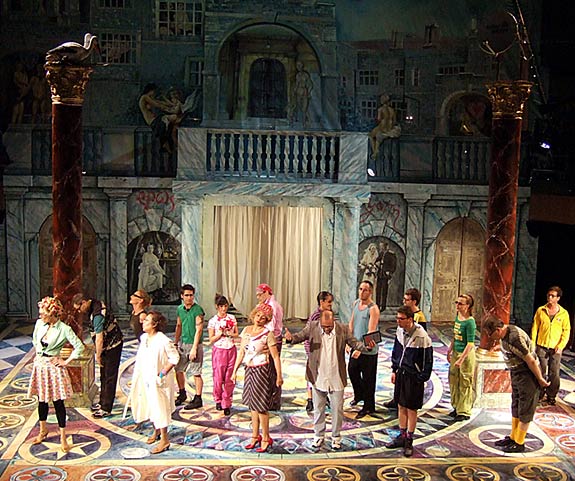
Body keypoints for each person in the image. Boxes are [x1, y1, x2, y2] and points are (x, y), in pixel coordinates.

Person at [285, 309, 374, 451]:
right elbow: (299, 336)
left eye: (329, 326)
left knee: (337, 410)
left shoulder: (342, 329)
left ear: (334, 321)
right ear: (320, 322)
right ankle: (318, 435)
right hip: (318, 376)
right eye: (324, 326)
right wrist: (290, 338)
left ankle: (336, 437)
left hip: (336, 376)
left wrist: (366, 347)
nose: (327, 329)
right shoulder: (313, 327)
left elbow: (354, 343)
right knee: (318, 408)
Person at [483, 317, 550, 453]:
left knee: (525, 407)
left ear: (498, 330)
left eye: (490, 334)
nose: (490, 337)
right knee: (516, 404)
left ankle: (519, 442)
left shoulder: (514, 338)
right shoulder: (505, 335)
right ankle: (513, 437)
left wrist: (540, 379)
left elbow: (531, 361)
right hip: (517, 372)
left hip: (527, 374)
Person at [28, 296, 85, 453]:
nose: (40, 315)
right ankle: (43, 430)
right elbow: (35, 341)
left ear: (52, 313)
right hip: (40, 366)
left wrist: (65, 361)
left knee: (58, 403)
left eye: (43, 313)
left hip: (54, 369)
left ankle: (62, 436)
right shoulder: (39, 324)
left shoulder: (64, 329)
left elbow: (79, 347)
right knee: (42, 401)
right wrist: (40, 355)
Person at [231, 303, 283, 453]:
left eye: (263, 317)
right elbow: (241, 352)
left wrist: (279, 376)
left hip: (262, 371)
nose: (259, 319)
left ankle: (266, 437)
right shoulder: (246, 331)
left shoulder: (267, 334)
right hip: (249, 369)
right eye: (258, 315)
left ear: (267, 320)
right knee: (252, 406)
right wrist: (234, 371)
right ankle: (255, 436)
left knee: (261, 406)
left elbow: (275, 356)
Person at [384, 306, 433, 457]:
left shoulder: (422, 336)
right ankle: (402, 435)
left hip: (413, 376)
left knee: (411, 408)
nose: (398, 321)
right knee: (401, 405)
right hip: (401, 373)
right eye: (397, 318)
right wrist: (394, 369)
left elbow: (427, 360)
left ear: (410, 319)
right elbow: (396, 350)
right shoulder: (400, 331)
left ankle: (409, 440)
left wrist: (421, 377)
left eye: (401, 319)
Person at [131, 311, 179, 454]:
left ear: (154, 324)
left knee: (160, 407)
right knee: (150, 404)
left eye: (147, 320)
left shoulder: (163, 341)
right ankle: (156, 431)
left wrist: (162, 373)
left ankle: (165, 440)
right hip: (146, 377)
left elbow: (174, 358)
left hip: (159, 380)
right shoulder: (144, 338)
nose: (143, 322)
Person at [73, 293, 123, 418]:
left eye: (79, 308)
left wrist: (98, 355)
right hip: (107, 345)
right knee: (103, 375)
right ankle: (102, 402)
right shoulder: (94, 304)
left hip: (112, 345)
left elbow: (99, 338)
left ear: (84, 302)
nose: (79, 311)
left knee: (109, 376)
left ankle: (106, 407)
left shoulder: (97, 315)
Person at [531, 286, 571, 405]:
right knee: (540, 371)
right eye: (549, 295)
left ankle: (551, 396)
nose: (550, 297)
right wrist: (533, 343)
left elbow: (566, 331)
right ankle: (539, 394)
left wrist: (561, 345)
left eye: (553, 296)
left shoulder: (564, 313)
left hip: (555, 348)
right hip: (542, 346)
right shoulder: (541, 310)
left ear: (558, 298)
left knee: (554, 373)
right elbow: (535, 328)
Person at [348, 280, 381, 418]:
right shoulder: (356, 303)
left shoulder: (373, 309)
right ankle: (359, 395)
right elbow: (351, 323)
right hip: (355, 345)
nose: (362, 292)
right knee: (352, 371)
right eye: (360, 289)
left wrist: (360, 349)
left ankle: (369, 406)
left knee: (368, 379)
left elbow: (371, 331)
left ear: (370, 292)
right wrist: (348, 341)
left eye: (365, 290)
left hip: (368, 350)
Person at [174, 284, 205, 409]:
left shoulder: (198, 310)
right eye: (186, 295)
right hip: (183, 343)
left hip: (195, 344)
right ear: (182, 296)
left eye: (191, 295)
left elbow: (199, 329)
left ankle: (198, 398)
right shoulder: (180, 309)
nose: (189, 298)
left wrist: (194, 348)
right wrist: (176, 342)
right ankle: (182, 393)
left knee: (196, 372)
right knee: (178, 369)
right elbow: (179, 325)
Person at [303, 291, 334, 413]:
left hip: (322, 348)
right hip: (313, 348)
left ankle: (322, 395)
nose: (331, 304)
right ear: (322, 302)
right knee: (313, 373)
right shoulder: (316, 316)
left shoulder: (328, 313)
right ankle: (311, 399)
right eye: (329, 302)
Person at [207, 295, 238, 416]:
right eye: (221, 306)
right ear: (217, 307)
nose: (223, 309)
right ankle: (218, 399)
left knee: (230, 377)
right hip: (219, 350)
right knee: (218, 377)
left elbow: (236, 334)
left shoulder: (231, 318)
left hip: (231, 348)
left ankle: (227, 402)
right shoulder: (213, 321)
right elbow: (211, 339)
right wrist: (220, 333)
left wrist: (230, 333)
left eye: (225, 306)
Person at [447, 293, 476, 421]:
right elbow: (455, 335)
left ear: (468, 306)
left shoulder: (470, 322)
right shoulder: (458, 317)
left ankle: (464, 410)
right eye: (456, 303)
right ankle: (456, 406)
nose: (457, 306)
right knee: (454, 379)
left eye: (460, 303)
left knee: (465, 381)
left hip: (466, 355)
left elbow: (470, 343)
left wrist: (461, 359)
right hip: (456, 352)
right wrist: (450, 349)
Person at [255, 283, 284, 409]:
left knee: (272, 370)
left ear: (267, 292)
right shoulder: (266, 305)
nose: (258, 297)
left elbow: (270, 327)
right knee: (268, 369)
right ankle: (269, 398)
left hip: (272, 340)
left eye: (260, 294)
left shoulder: (272, 306)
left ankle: (274, 401)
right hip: (269, 339)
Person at [138, 83, 175, 152]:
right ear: (151, 90)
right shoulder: (144, 97)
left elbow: (164, 103)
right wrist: (167, 109)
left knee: (172, 121)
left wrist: (164, 98)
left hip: (156, 120)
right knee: (172, 118)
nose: (154, 93)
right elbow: (157, 105)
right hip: (152, 121)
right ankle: (165, 143)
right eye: (154, 91)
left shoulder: (150, 98)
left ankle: (167, 142)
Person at [368, 94, 401, 159]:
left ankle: (375, 151)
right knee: (379, 135)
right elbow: (394, 121)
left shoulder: (380, 109)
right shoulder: (392, 110)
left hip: (382, 126)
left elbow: (379, 119)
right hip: (390, 127)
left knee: (371, 135)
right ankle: (375, 152)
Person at [289, 61, 313, 126]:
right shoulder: (298, 75)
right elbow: (297, 84)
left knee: (304, 108)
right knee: (297, 106)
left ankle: (305, 123)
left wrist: (309, 92)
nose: (298, 67)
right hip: (298, 92)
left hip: (304, 92)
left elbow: (310, 84)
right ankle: (293, 120)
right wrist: (294, 91)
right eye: (297, 66)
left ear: (302, 66)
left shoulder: (306, 75)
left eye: (299, 65)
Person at [374, 241, 396, 311]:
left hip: (385, 275)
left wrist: (389, 272)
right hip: (380, 274)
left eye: (382, 246)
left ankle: (383, 307)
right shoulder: (381, 253)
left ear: (385, 246)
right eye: (380, 246)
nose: (381, 248)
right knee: (378, 291)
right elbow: (376, 261)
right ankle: (377, 306)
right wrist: (376, 263)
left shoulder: (391, 254)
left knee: (384, 291)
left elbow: (393, 265)